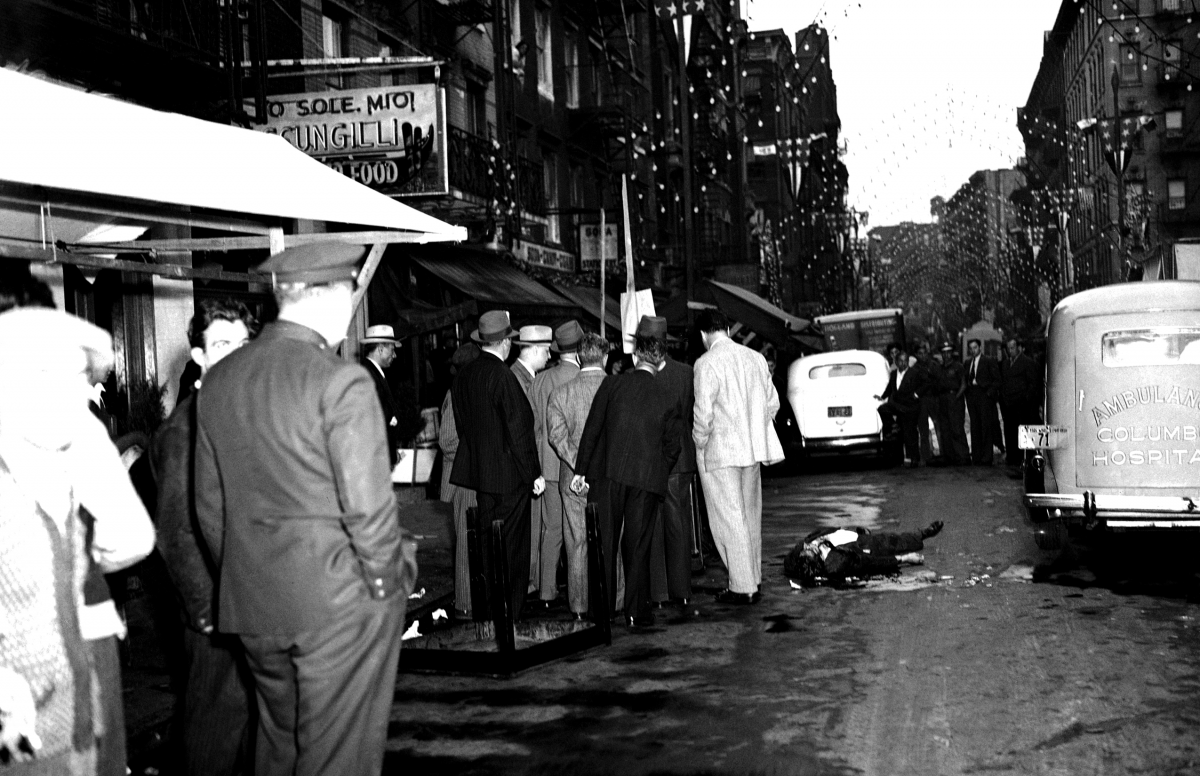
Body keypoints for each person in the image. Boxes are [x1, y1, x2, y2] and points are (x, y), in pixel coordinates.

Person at [194, 244, 418, 776]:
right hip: (336, 605)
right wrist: (386, 586)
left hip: (254, 607)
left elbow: (209, 507)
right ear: (332, 299)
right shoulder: (340, 381)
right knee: (338, 758)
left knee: (280, 746)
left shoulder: (220, 381)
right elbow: (369, 510)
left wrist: (249, 572)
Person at [0, 307, 155, 773]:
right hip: (17, 716)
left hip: (75, 696)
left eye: (79, 377)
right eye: (52, 376)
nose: (77, 393)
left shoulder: (69, 449)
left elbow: (133, 537)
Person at [150, 299, 257, 776]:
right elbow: (174, 532)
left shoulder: (245, 412)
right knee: (215, 730)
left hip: (252, 603)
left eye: (242, 343)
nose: (234, 354)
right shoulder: (185, 430)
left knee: (250, 732)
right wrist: (208, 612)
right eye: (221, 344)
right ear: (199, 357)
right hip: (216, 614)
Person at [573, 333, 682, 627]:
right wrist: (657, 471)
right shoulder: (668, 395)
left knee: (604, 543)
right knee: (637, 546)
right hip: (645, 480)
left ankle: (602, 614)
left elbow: (592, 429)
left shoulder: (612, 383)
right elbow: (673, 447)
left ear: (635, 358)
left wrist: (581, 470)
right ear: (660, 364)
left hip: (607, 475)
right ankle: (636, 612)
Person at [450, 310, 545, 622]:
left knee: (490, 548)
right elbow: (519, 430)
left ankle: (492, 612)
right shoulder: (502, 376)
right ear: (505, 342)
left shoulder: (464, 375)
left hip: (481, 476)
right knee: (513, 550)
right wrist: (533, 474)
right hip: (510, 479)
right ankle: (510, 614)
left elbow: (463, 426)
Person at [692, 309, 784, 605]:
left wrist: (699, 441)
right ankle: (752, 578)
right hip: (753, 451)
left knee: (729, 521)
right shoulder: (755, 358)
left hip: (721, 453)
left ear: (704, 335)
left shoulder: (706, 363)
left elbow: (703, 414)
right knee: (749, 516)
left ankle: (743, 587)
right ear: (728, 330)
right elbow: (773, 403)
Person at [547, 332, 611, 619]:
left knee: (576, 543)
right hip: (610, 476)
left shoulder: (560, 394)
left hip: (572, 480)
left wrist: (580, 468)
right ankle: (614, 600)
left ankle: (579, 606)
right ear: (606, 357)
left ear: (577, 358)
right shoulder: (616, 389)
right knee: (612, 539)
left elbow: (557, 438)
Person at [639, 315, 696, 608]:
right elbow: (688, 413)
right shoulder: (686, 373)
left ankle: (659, 594)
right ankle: (682, 590)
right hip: (681, 460)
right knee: (679, 523)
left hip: (650, 458)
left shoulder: (638, 375)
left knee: (653, 522)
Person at [529, 321, 584, 610]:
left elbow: (534, 424)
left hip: (547, 464)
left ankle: (546, 592)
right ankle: (579, 590)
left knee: (552, 529)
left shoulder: (539, 380)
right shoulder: (584, 378)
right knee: (577, 531)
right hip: (576, 464)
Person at [439, 342, 480, 618]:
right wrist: (477, 450)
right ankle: (465, 604)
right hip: (461, 478)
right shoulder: (457, 394)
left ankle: (470, 599)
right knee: (466, 545)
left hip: (466, 474)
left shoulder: (465, 390)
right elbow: (447, 440)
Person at [783, 521, 944, 587]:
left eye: (806, 550)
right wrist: (904, 558)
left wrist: (809, 547)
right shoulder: (837, 562)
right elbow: (871, 563)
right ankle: (922, 534)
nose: (809, 547)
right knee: (892, 542)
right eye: (812, 551)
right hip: (860, 547)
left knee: (871, 538)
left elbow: (794, 565)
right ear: (819, 558)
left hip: (841, 535)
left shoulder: (794, 560)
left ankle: (865, 534)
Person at [361, 324, 404, 467]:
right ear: (380, 349)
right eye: (392, 350)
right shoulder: (368, 375)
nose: (395, 355)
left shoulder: (374, 373)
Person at [877, 346, 924, 467]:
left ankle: (914, 458)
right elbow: (889, 388)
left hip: (910, 407)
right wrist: (882, 397)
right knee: (883, 408)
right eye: (901, 361)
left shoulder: (914, 373)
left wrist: (916, 394)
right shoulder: (893, 374)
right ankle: (893, 426)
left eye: (905, 361)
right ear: (896, 362)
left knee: (910, 433)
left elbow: (926, 384)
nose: (903, 363)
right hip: (898, 405)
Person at [999, 338, 1042, 467]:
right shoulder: (1005, 364)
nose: (1010, 350)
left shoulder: (1028, 363)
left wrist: (1026, 400)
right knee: (1009, 432)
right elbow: (1003, 383)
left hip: (1021, 406)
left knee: (1022, 433)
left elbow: (1033, 385)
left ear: (1018, 347)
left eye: (1012, 347)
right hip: (1008, 405)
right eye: (1008, 348)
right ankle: (1011, 458)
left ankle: (1024, 460)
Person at [964, 338, 1001, 465]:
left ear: (980, 348)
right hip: (972, 396)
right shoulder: (968, 362)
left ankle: (986, 457)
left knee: (986, 426)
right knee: (975, 426)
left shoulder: (988, 361)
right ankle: (976, 456)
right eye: (971, 348)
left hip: (984, 395)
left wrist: (989, 393)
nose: (973, 350)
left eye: (975, 347)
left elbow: (997, 380)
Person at [938, 343, 971, 465]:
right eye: (944, 352)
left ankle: (963, 456)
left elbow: (963, 384)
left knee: (957, 428)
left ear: (952, 353)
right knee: (945, 429)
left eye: (948, 352)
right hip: (943, 399)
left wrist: (956, 398)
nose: (946, 355)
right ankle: (950, 457)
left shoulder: (958, 366)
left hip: (954, 398)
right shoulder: (940, 367)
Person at [914, 343, 945, 464]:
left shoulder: (934, 365)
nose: (923, 356)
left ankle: (944, 453)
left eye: (924, 353)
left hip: (934, 398)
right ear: (916, 355)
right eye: (920, 353)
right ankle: (926, 456)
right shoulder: (915, 369)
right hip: (922, 401)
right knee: (923, 429)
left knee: (939, 427)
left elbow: (938, 381)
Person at [511, 324, 551, 400]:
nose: (549, 356)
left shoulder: (519, 374)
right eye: (547, 351)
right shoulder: (515, 378)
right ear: (535, 350)